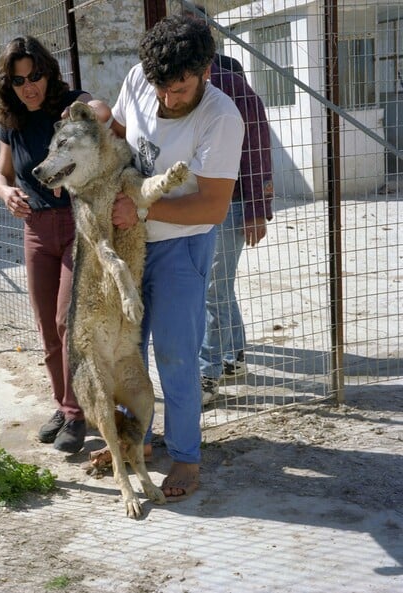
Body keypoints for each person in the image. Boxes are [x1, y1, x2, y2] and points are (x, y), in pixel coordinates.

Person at [109, 15, 244, 501]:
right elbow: (120, 135)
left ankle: (186, 456)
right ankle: (138, 440)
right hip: (129, 240)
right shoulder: (139, 80)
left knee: (176, 355)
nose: (168, 99)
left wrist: (140, 206)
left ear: (205, 69)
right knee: (127, 351)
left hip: (180, 244)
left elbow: (212, 205)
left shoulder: (221, 117)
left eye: (181, 88)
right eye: (161, 88)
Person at [0, 35, 94, 453]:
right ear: (9, 86)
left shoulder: (71, 103)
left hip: (77, 223)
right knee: (45, 327)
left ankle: (75, 413)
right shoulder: (11, 120)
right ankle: (64, 404)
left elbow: (100, 112)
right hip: (35, 228)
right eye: (19, 81)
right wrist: (6, 195)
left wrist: (88, 112)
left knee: (67, 320)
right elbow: (1, 177)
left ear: (49, 73)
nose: (29, 87)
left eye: (35, 76)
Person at [183, 4, 275, 404]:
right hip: (194, 203)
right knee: (217, 286)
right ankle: (234, 356)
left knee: (210, 289)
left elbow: (257, 149)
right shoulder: (172, 84)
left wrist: (257, 208)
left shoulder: (229, 83)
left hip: (231, 203)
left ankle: (208, 372)